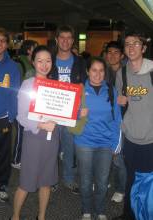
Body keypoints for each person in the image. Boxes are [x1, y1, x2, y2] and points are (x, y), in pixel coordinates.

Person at [11, 45, 59, 220]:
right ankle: (15, 216)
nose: (44, 65)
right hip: (34, 139)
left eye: (48, 61)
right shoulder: (27, 85)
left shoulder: (56, 85)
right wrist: (41, 125)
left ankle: (42, 216)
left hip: (52, 139)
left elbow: (61, 113)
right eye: (40, 61)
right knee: (26, 182)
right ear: (33, 62)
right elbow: (21, 117)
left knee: (46, 181)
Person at [73, 57, 121, 220]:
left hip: (106, 144)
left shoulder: (110, 90)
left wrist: (116, 144)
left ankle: (100, 210)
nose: (98, 74)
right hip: (85, 142)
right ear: (87, 71)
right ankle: (86, 209)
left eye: (101, 71)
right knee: (86, 181)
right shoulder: (79, 90)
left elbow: (117, 119)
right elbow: (67, 116)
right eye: (94, 70)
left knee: (102, 181)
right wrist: (79, 113)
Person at [113, 32, 153, 220]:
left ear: (143, 48)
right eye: (128, 44)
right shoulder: (121, 73)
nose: (131, 47)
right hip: (130, 137)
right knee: (130, 178)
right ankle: (128, 214)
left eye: (136, 43)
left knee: (148, 182)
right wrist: (119, 101)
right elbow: (120, 101)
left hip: (151, 138)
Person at [48, 25, 87, 194]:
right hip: (52, 110)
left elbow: (84, 86)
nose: (65, 41)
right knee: (52, 148)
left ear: (73, 41)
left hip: (72, 112)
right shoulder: (49, 59)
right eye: (61, 37)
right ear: (57, 40)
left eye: (68, 38)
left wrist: (83, 107)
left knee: (69, 147)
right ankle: (51, 179)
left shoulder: (80, 62)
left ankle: (69, 179)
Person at [0, 27, 21, 203]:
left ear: (7, 44)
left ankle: (0, 187)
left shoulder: (13, 67)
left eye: (3, 40)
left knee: (2, 157)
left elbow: (15, 93)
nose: (0, 43)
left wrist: (11, 116)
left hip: (2, 120)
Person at [105, 41, 127, 203]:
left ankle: (121, 188)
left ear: (122, 55)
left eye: (116, 52)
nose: (112, 55)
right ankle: (105, 180)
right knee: (106, 154)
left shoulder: (128, 73)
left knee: (118, 157)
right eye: (109, 52)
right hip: (105, 119)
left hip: (122, 120)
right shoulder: (102, 71)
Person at [11, 39, 38, 169]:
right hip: (20, 103)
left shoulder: (30, 64)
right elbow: (16, 85)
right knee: (21, 132)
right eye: (35, 48)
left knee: (24, 131)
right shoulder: (20, 63)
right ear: (29, 50)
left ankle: (22, 157)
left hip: (29, 102)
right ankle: (16, 160)